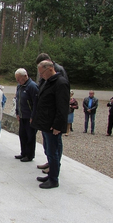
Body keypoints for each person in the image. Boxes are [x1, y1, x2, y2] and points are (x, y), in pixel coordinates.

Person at [31, 60, 70, 189]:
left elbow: (62, 107)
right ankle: (51, 174)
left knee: (54, 152)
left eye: (42, 73)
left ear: (50, 69)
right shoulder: (48, 82)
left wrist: (58, 126)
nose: (41, 75)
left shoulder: (60, 83)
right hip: (45, 123)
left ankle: (54, 179)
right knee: (48, 150)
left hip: (53, 125)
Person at [14, 68, 39, 162]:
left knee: (30, 136)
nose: (17, 80)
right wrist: (17, 112)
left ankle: (29, 155)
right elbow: (18, 100)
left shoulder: (32, 86)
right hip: (22, 115)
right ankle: (23, 152)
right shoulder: (19, 86)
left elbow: (36, 103)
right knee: (22, 135)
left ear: (25, 76)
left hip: (29, 116)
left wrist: (33, 116)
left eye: (19, 78)